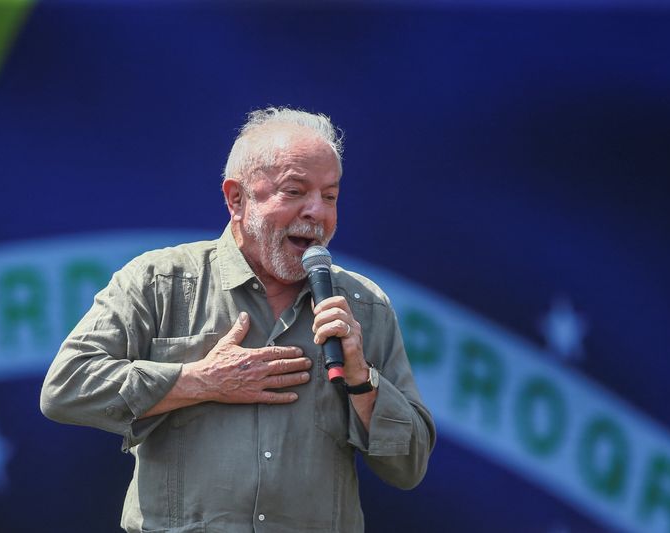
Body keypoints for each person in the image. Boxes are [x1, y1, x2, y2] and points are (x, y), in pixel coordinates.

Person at [40, 107, 436, 532]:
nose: (317, 212)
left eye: (331, 196)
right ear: (236, 199)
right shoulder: (160, 281)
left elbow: (408, 466)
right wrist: (201, 381)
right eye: (294, 191)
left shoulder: (363, 306)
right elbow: (66, 388)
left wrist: (362, 379)